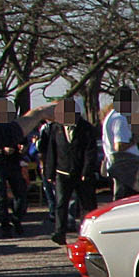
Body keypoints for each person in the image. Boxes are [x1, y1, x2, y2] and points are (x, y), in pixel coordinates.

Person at [41, 98, 99, 242]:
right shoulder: (56, 128)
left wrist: (87, 171)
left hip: (81, 173)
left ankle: (87, 234)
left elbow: (90, 151)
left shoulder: (86, 128)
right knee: (61, 203)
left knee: (86, 204)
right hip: (62, 172)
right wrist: (49, 173)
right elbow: (51, 151)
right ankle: (59, 233)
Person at [0, 99, 29, 235]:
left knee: (20, 194)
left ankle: (16, 218)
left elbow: (24, 142)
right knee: (0, 196)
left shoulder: (14, 127)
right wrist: (2, 149)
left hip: (14, 163)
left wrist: (22, 148)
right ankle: (5, 225)